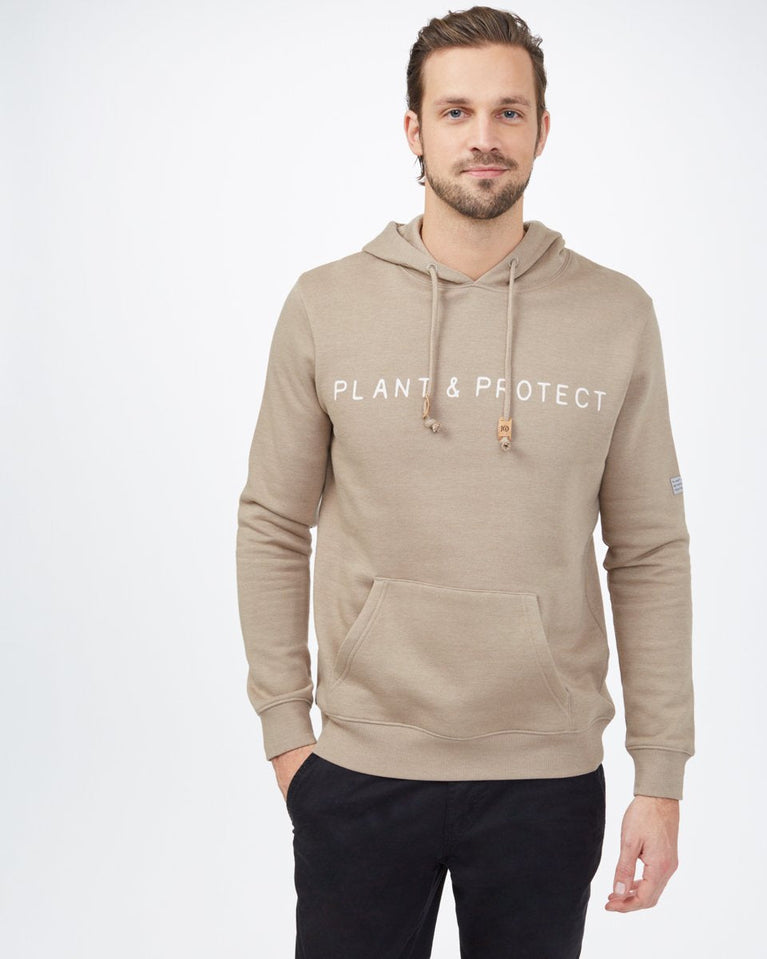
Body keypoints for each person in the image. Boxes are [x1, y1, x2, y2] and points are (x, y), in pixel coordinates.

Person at [235, 6, 695, 956]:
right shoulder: (326, 304)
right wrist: (288, 736)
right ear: (414, 130)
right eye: (455, 112)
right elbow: (272, 522)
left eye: (507, 112)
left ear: (541, 129)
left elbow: (647, 548)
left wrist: (660, 775)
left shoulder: (615, 314)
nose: (483, 137)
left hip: (546, 776)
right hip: (358, 767)